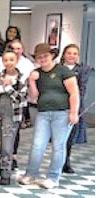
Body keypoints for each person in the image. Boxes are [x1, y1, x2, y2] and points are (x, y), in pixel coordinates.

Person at [20, 43, 80, 189]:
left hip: (63, 113)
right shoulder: (37, 73)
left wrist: (73, 112)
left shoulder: (63, 71)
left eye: (45, 56)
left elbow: (74, 93)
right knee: (37, 144)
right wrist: (32, 81)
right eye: (39, 57)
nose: (43, 59)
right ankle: (30, 174)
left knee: (59, 146)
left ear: (52, 55)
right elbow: (33, 97)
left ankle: (53, 177)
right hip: (43, 113)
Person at [0, 50, 26, 185]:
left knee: (7, 146)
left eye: (11, 60)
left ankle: (5, 171)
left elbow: (21, 98)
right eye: (6, 60)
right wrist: (2, 87)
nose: (8, 62)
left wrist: (9, 87)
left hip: (12, 116)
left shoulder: (21, 79)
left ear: (16, 61)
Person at [60, 44, 92, 174]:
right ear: (64, 54)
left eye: (74, 53)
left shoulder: (82, 70)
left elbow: (81, 88)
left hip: (74, 105)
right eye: (69, 53)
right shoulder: (59, 68)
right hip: (58, 105)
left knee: (70, 136)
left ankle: (66, 161)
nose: (71, 56)